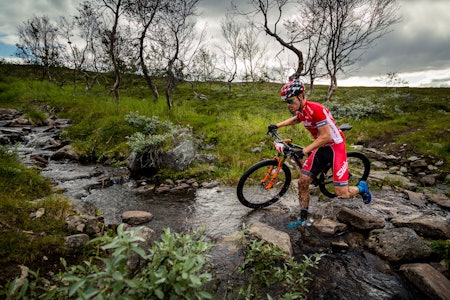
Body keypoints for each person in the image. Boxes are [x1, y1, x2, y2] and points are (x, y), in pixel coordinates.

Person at [268, 79, 371, 228]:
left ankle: (361, 188)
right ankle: (302, 219)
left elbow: (326, 137)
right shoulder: (302, 110)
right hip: (322, 147)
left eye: (290, 100)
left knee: (341, 193)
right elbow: (298, 119)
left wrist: (304, 150)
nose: (289, 105)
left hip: (335, 147)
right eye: (286, 102)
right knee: (303, 182)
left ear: (301, 96)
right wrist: (277, 125)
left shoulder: (316, 109)